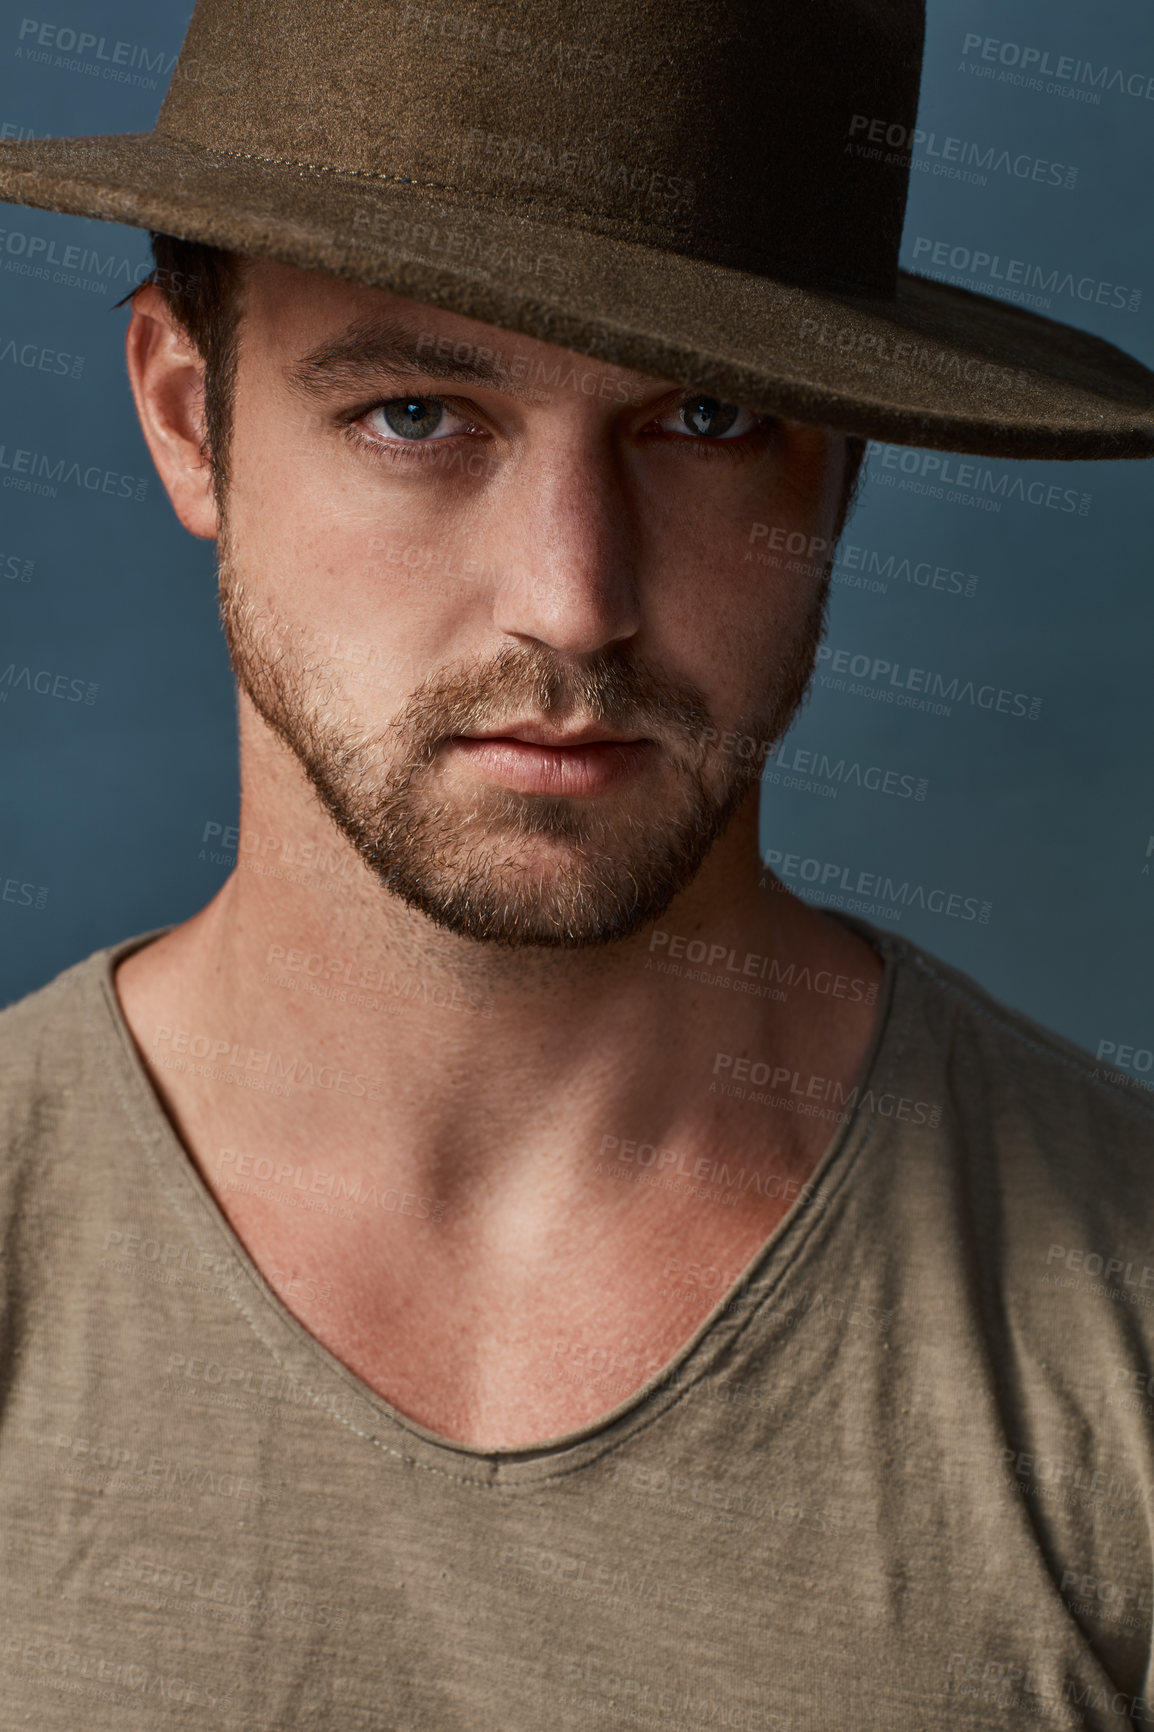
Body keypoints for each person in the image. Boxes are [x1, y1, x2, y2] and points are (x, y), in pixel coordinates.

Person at [1, 1, 1153, 1726]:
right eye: (415, 414)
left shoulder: (1112, 1324)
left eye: (701, 419)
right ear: (188, 416)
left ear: (835, 460)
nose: (574, 596)